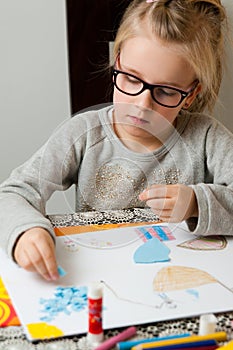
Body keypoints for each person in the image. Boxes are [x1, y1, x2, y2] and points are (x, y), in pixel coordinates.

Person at [0, 0, 232, 282]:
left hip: (181, 283)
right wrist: (26, 231)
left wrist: (197, 203)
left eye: (166, 91)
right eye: (132, 79)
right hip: (103, 283)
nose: (142, 104)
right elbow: (12, 193)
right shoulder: (83, 134)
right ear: (116, 62)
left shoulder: (207, 137)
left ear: (191, 93)